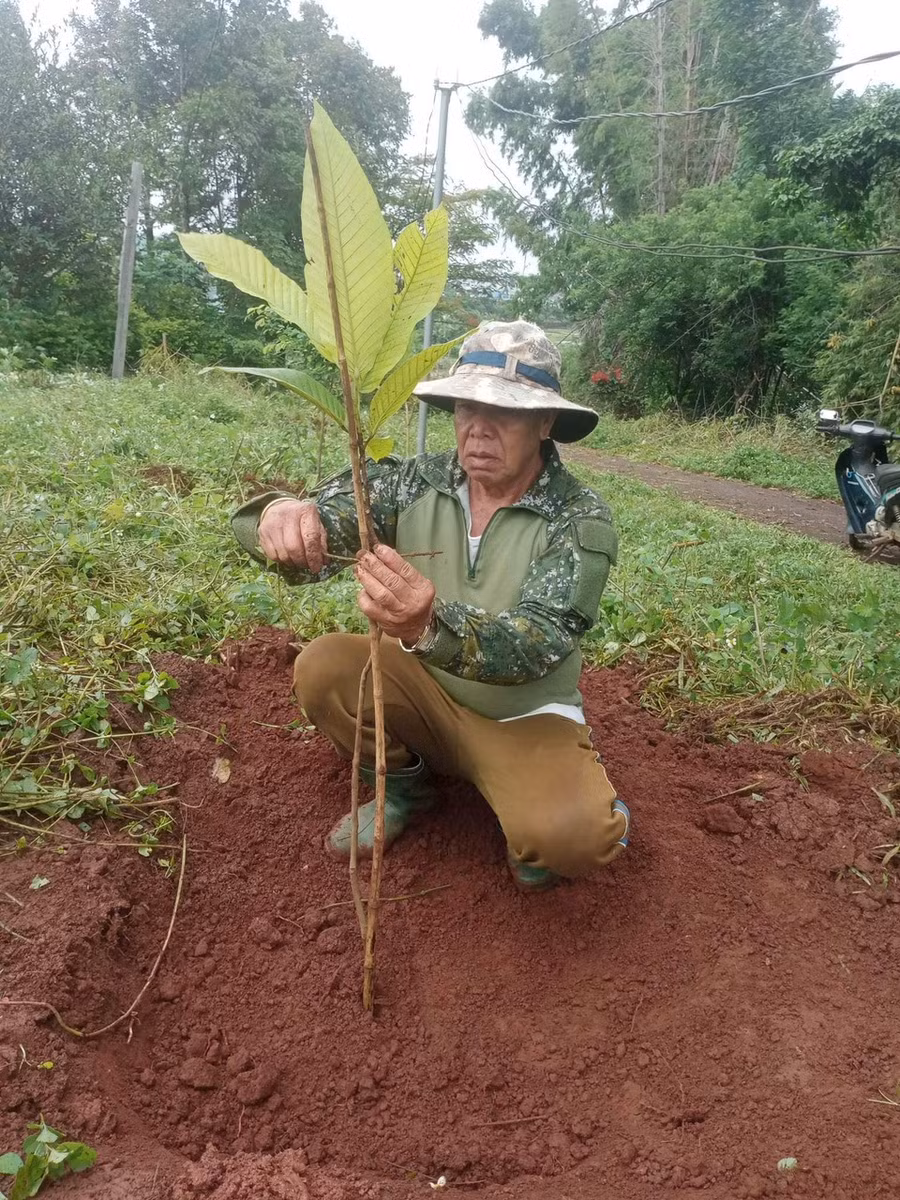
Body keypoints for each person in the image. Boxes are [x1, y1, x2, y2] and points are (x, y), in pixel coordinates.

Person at [231, 321, 629, 892]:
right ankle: (404, 788)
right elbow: (330, 522)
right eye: (467, 407)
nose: (479, 429)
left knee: (576, 840)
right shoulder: (415, 483)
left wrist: (428, 623)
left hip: (523, 716)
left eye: (505, 411)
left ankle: (563, 805)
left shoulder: (578, 518)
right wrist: (279, 516)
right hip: (422, 691)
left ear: (545, 423)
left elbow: (539, 641)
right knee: (323, 667)